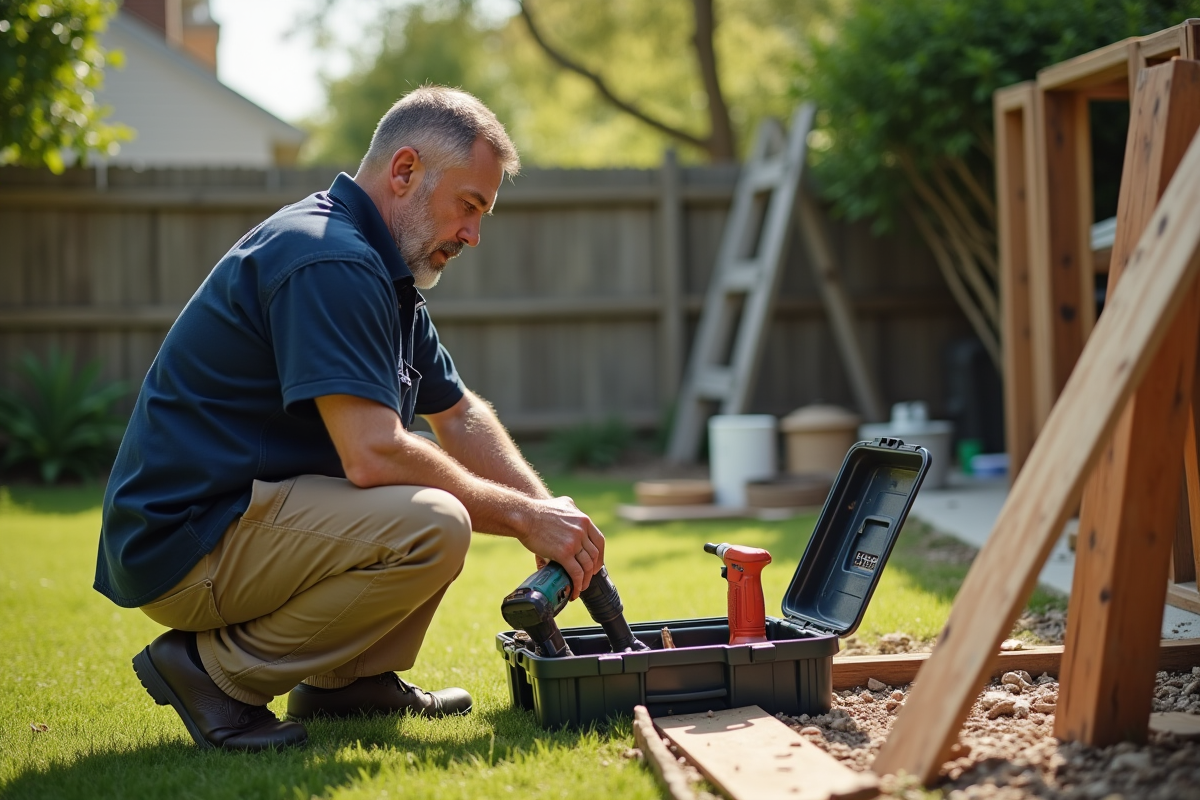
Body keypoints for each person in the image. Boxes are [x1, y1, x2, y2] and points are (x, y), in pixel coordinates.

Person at [95, 86, 606, 751]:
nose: (473, 235)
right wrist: (522, 517)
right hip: (189, 542)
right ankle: (212, 672)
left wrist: (549, 517)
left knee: (430, 498)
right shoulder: (328, 258)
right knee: (434, 521)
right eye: (468, 205)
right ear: (405, 171)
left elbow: (459, 415)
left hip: (233, 521)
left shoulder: (380, 271)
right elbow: (372, 453)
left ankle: (349, 684)